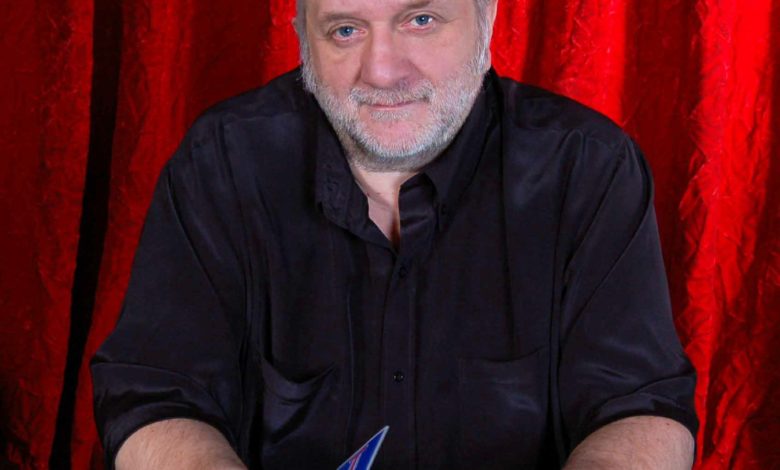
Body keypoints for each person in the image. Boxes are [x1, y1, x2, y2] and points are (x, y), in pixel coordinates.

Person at [91, 0, 698, 468]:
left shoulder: (588, 168)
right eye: (345, 30)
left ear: (487, 18)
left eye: (421, 20)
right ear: (303, 39)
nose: (382, 72)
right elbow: (156, 396)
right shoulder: (222, 163)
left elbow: (641, 408)